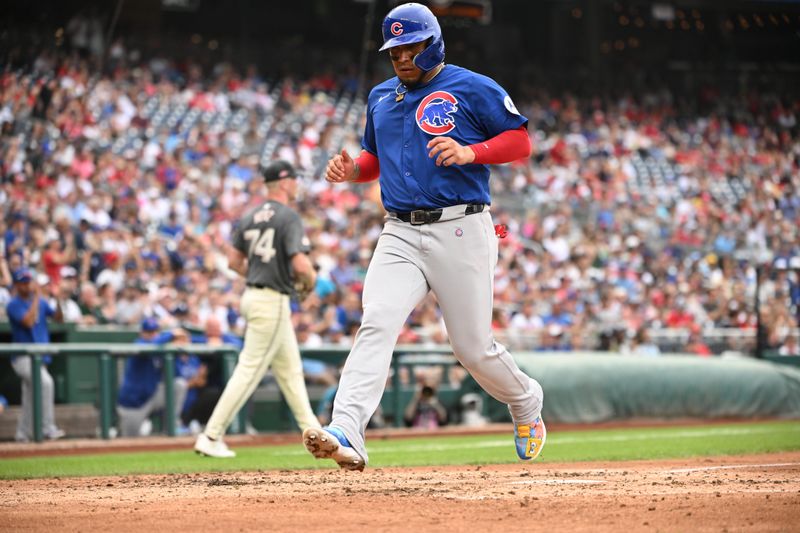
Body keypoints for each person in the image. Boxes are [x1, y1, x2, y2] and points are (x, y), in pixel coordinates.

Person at [303, 2, 545, 471]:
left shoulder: (471, 86)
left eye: (411, 47)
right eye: (395, 51)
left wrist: (470, 152)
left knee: (472, 349)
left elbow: (520, 141)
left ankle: (526, 399)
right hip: (399, 230)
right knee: (377, 320)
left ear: (433, 43)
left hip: (462, 225)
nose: (402, 58)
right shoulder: (380, 97)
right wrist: (353, 170)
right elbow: (375, 158)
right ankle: (346, 429)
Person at [194, 160, 322, 458]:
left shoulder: (250, 216)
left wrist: (259, 274)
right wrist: (311, 280)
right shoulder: (288, 216)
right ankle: (211, 435)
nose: (297, 184)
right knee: (249, 369)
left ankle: (315, 434)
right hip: (272, 300)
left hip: (253, 295)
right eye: (295, 179)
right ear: (285, 182)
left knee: (290, 371)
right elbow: (301, 264)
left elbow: (233, 262)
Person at [5, 268, 66, 442]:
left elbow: (59, 319)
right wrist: (38, 297)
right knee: (45, 384)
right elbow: (29, 321)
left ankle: (22, 434)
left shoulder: (41, 302)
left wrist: (58, 299)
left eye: (28, 281)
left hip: (40, 357)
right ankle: (47, 428)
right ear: (17, 285)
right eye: (23, 282)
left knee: (30, 397)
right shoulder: (13, 304)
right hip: (23, 357)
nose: (27, 285)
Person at [116, 317, 190, 437]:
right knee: (129, 442)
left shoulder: (161, 346)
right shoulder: (139, 344)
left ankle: (172, 426)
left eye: (155, 332)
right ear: (142, 333)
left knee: (179, 385)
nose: (153, 335)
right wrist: (171, 334)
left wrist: (177, 349)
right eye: (149, 332)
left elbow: (176, 374)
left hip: (153, 395)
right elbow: (150, 347)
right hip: (134, 403)